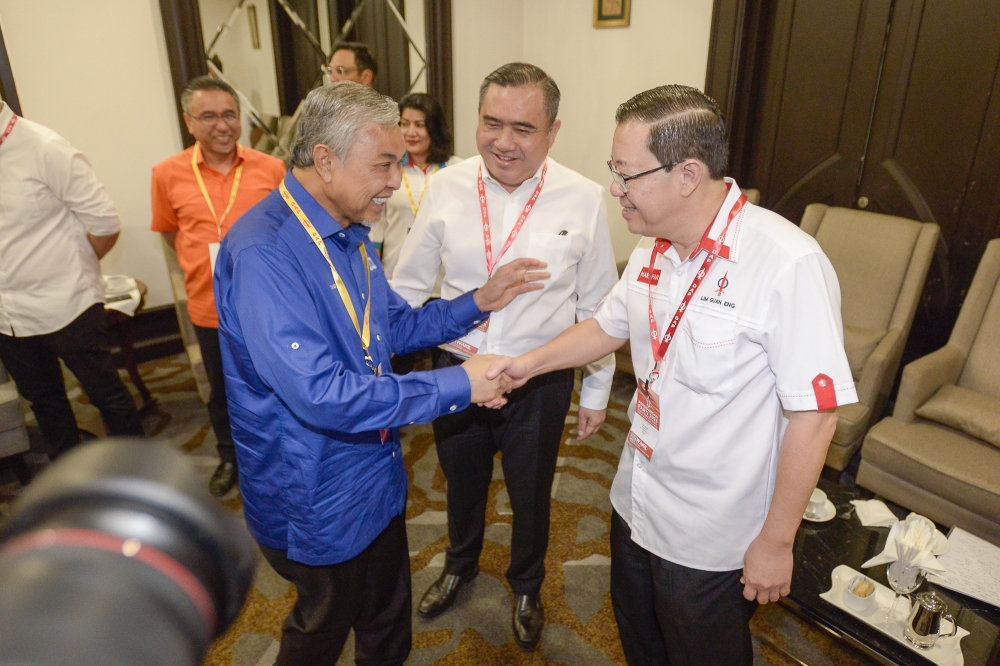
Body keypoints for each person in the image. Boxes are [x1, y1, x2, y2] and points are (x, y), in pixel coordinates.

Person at [486, 85, 858, 665]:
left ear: (687, 175)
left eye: (627, 174)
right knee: (641, 643)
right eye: (614, 169)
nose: (615, 187)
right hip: (636, 498)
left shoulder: (787, 263)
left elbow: (815, 415)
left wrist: (777, 541)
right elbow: (607, 326)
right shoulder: (653, 247)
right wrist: (524, 365)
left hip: (713, 533)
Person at [214, 81, 546, 666]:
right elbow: (322, 395)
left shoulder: (349, 232)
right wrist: (461, 384)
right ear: (325, 159)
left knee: (389, 624)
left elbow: (395, 327)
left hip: (377, 474)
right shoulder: (265, 254)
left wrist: (478, 301)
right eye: (384, 164)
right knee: (320, 631)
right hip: (316, 491)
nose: (397, 180)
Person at [391, 63, 618, 650]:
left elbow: (599, 305)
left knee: (530, 491)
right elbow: (410, 283)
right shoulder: (448, 185)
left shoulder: (584, 197)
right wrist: (377, 360)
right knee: (459, 483)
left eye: (523, 128)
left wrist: (596, 389)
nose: (503, 142)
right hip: (458, 371)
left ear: (553, 131)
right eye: (491, 123)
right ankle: (460, 564)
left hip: (539, 377)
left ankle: (526, 584)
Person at [151, 76, 286, 497]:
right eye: (208, 116)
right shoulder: (166, 174)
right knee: (222, 389)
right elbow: (173, 235)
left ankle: (281, 455)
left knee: (277, 383)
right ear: (189, 122)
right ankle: (231, 456)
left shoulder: (271, 168)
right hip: (209, 305)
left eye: (230, 114)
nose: (222, 125)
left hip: (266, 307)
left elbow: (286, 231)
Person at [0, 99, 144, 457]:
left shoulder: (44, 148)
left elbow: (105, 224)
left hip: (68, 304)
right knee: (45, 404)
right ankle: (70, 483)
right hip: (8, 317)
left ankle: (141, 476)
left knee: (105, 394)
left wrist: (69, 269)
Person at [370, 93, 462, 277]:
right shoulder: (385, 170)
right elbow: (376, 228)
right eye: (404, 124)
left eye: (419, 125)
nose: (411, 132)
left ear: (435, 129)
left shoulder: (457, 170)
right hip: (396, 275)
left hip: (444, 279)